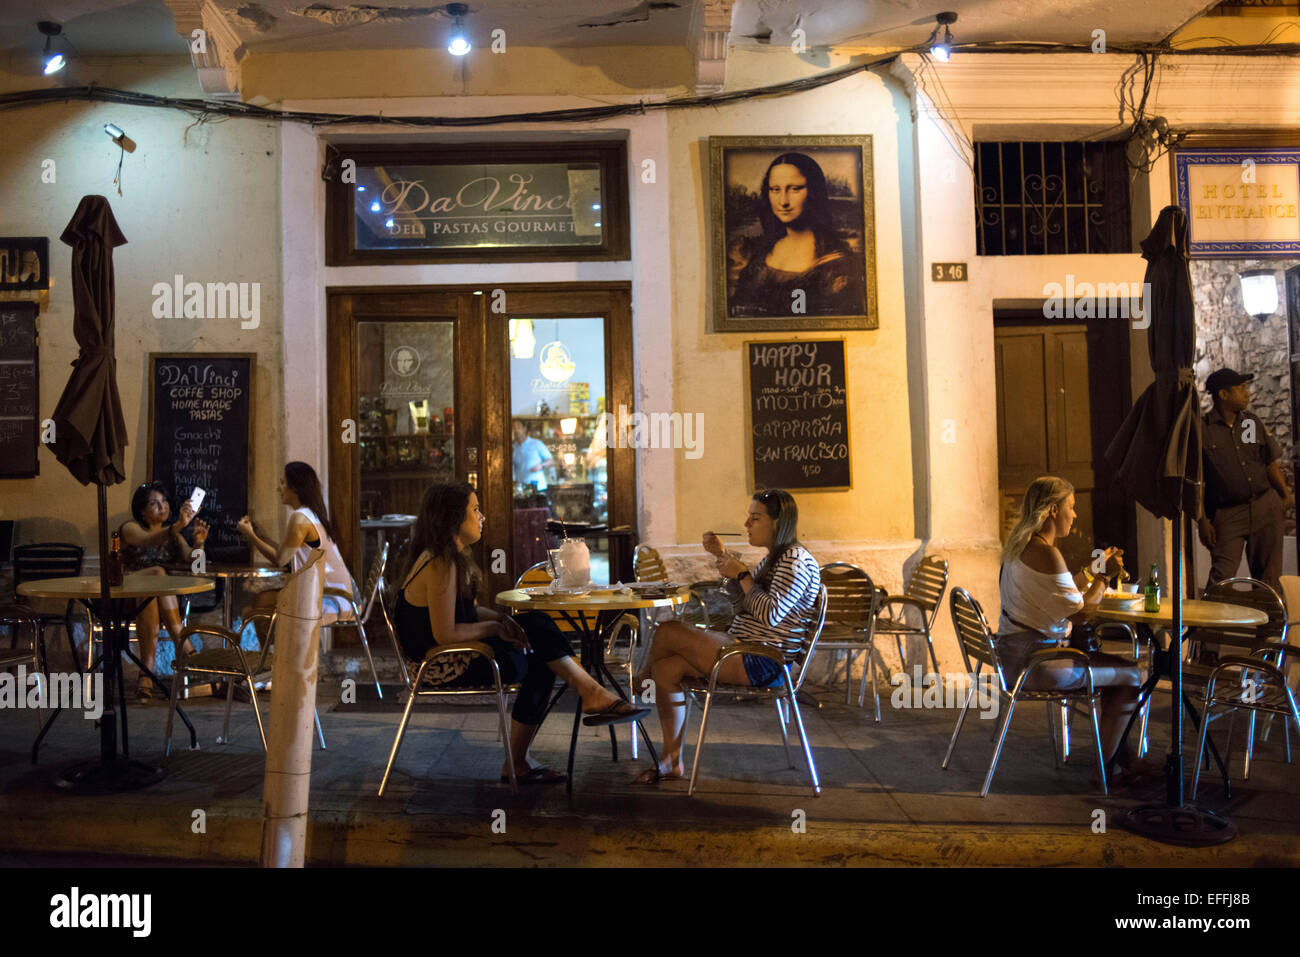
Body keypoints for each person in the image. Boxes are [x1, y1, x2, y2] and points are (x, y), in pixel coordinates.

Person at [393, 482, 648, 784]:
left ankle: (539, 743)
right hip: (438, 665)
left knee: (535, 632)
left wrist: (503, 620)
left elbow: (466, 612)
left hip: (451, 656)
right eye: (475, 510)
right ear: (452, 519)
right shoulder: (440, 563)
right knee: (537, 651)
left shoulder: (444, 558)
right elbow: (446, 632)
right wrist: (496, 627)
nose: (482, 516)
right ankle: (583, 700)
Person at [630, 488, 822, 784]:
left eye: (755, 518)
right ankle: (671, 761)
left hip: (763, 661)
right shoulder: (775, 559)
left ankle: (639, 685)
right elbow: (742, 607)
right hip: (744, 649)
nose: (747, 524)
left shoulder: (795, 561)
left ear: (777, 522)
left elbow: (770, 614)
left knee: (668, 631)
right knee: (666, 669)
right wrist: (724, 560)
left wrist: (743, 575)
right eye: (748, 517)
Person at [997, 476, 1152, 785]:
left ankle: (1121, 755)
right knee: (1134, 674)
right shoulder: (1046, 553)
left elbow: (1064, 592)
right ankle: (1106, 770)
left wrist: (1092, 571)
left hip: (1016, 656)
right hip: (1039, 664)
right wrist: (1104, 578)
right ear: (1053, 510)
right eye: (1071, 507)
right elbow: (1082, 612)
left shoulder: (1022, 545)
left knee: (1117, 669)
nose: (1075, 514)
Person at [729, 152, 864, 318]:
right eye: (775, 189)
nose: (783, 201)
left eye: (794, 189)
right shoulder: (760, 251)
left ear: (813, 192)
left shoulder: (835, 263)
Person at [1197, 368, 1291, 593]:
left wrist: (1284, 494)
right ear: (1223, 395)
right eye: (1240, 389)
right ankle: (1211, 628)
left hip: (1264, 505)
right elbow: (1196, 479)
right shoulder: (1203, 430)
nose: (1246, 393)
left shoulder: (1250, 423)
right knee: (1221, 578)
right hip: (1228, 514)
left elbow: (1268, 462)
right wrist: (1202, 520)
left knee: (1268, 580)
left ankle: (1268, 628)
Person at [235, 461, 354, 638]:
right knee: (259, 605)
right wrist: (263, 536)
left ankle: (269, 659)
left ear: (295, 488)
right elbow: (288, 555)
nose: (278, 488)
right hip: (340, 597)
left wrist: (250, 536)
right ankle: (272, 658)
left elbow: (280, 559)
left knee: (258, 606)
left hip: (332, 599)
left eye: (283, 482)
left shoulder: (300, 518)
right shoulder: (310, 514)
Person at [119, 482, 208, 699]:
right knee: (157, 574)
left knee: (156, 584)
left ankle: (146, 673)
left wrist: (199, 544)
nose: (162, 507)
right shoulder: (130, 528)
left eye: (165, 502)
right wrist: (177, 525)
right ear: (142, 509)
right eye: (154, 503)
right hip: (126, 594)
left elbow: (197, 566)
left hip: (155, 599)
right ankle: (183, 642)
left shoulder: (174, 535)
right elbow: (148, 541)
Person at [512, 420, 554, 491]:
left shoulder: (536, 444)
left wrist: (541, 465)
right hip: (521, 489)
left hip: (538, 487)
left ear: (524, 429)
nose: (516, 430)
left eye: (518, 427)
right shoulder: (513, 447)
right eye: (513, 428)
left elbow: (551, 460)